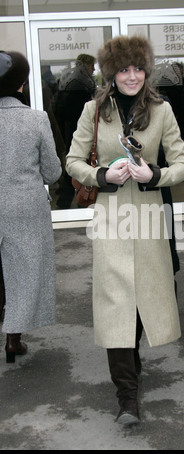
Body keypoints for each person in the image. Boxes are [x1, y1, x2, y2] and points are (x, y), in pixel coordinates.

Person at [66, 35, 184, 425]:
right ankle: (127, 398)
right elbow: (71, 161)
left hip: (151, 215)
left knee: (145, 298)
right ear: (111, 72)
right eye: (124, 69)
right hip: (112, 215)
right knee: (115, 302)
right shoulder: (93, 109)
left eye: (138, 68)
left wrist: (154, 174)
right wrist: (102, 175)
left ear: (146, 70)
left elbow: (183, 165)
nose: (132, 76)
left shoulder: (161, 109)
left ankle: (132, 368)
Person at [0, 51, 62, 363]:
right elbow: (52, 172)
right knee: (23, 271)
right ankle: (13, 339)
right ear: (22, 84)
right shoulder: (35, 119)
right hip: (24, 207)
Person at [53, 54, 97, 209]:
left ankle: (72, 201)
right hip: (77, 129)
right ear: (85, 65)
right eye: (92, 65)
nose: (94, 69)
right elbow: (75, 110)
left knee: (77, 167)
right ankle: (75, 201)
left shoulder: (75, 81)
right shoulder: (79, 83)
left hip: (74, 128)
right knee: (78, 166)